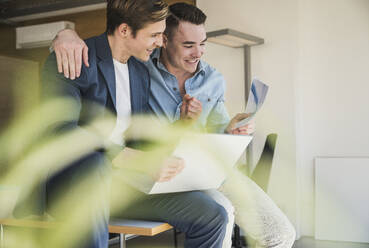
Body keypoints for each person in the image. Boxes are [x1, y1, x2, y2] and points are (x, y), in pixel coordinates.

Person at [53, 2, 297, 248]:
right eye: (188, 45)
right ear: (164, 40)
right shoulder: (138, 66)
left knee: (269, 230)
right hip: (130, 173)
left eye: (202, 44)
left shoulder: (203, 78)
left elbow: (208, 131)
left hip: (197, 169)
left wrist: (224, 129)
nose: (198, 52)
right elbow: (68, 130)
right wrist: (64, 33)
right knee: (220, 211)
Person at [42, 1, 229, 248]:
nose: (161, 42)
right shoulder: (74, 57)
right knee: (94, 165)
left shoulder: (139, 72)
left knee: (213, 215)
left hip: (125, 186)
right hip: (76, 187)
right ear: (124, 31)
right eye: (154, 35)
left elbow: (140, 139)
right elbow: (62, 132)